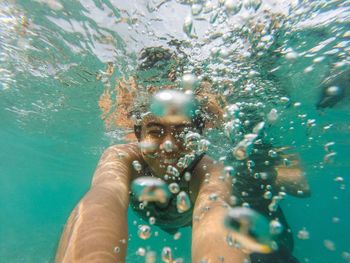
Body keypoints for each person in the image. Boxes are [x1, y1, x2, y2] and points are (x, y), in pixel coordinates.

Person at [56, 47, 310, 263]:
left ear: (198, 133)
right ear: (138, 133)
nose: (169, 145)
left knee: (272, 246)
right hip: (179, 217)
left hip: (242, 194)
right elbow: (103, 198)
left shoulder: (209, 170)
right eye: (155, 131)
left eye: (182, 131)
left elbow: (215, 213)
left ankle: (274, 171)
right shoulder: (122, 159)